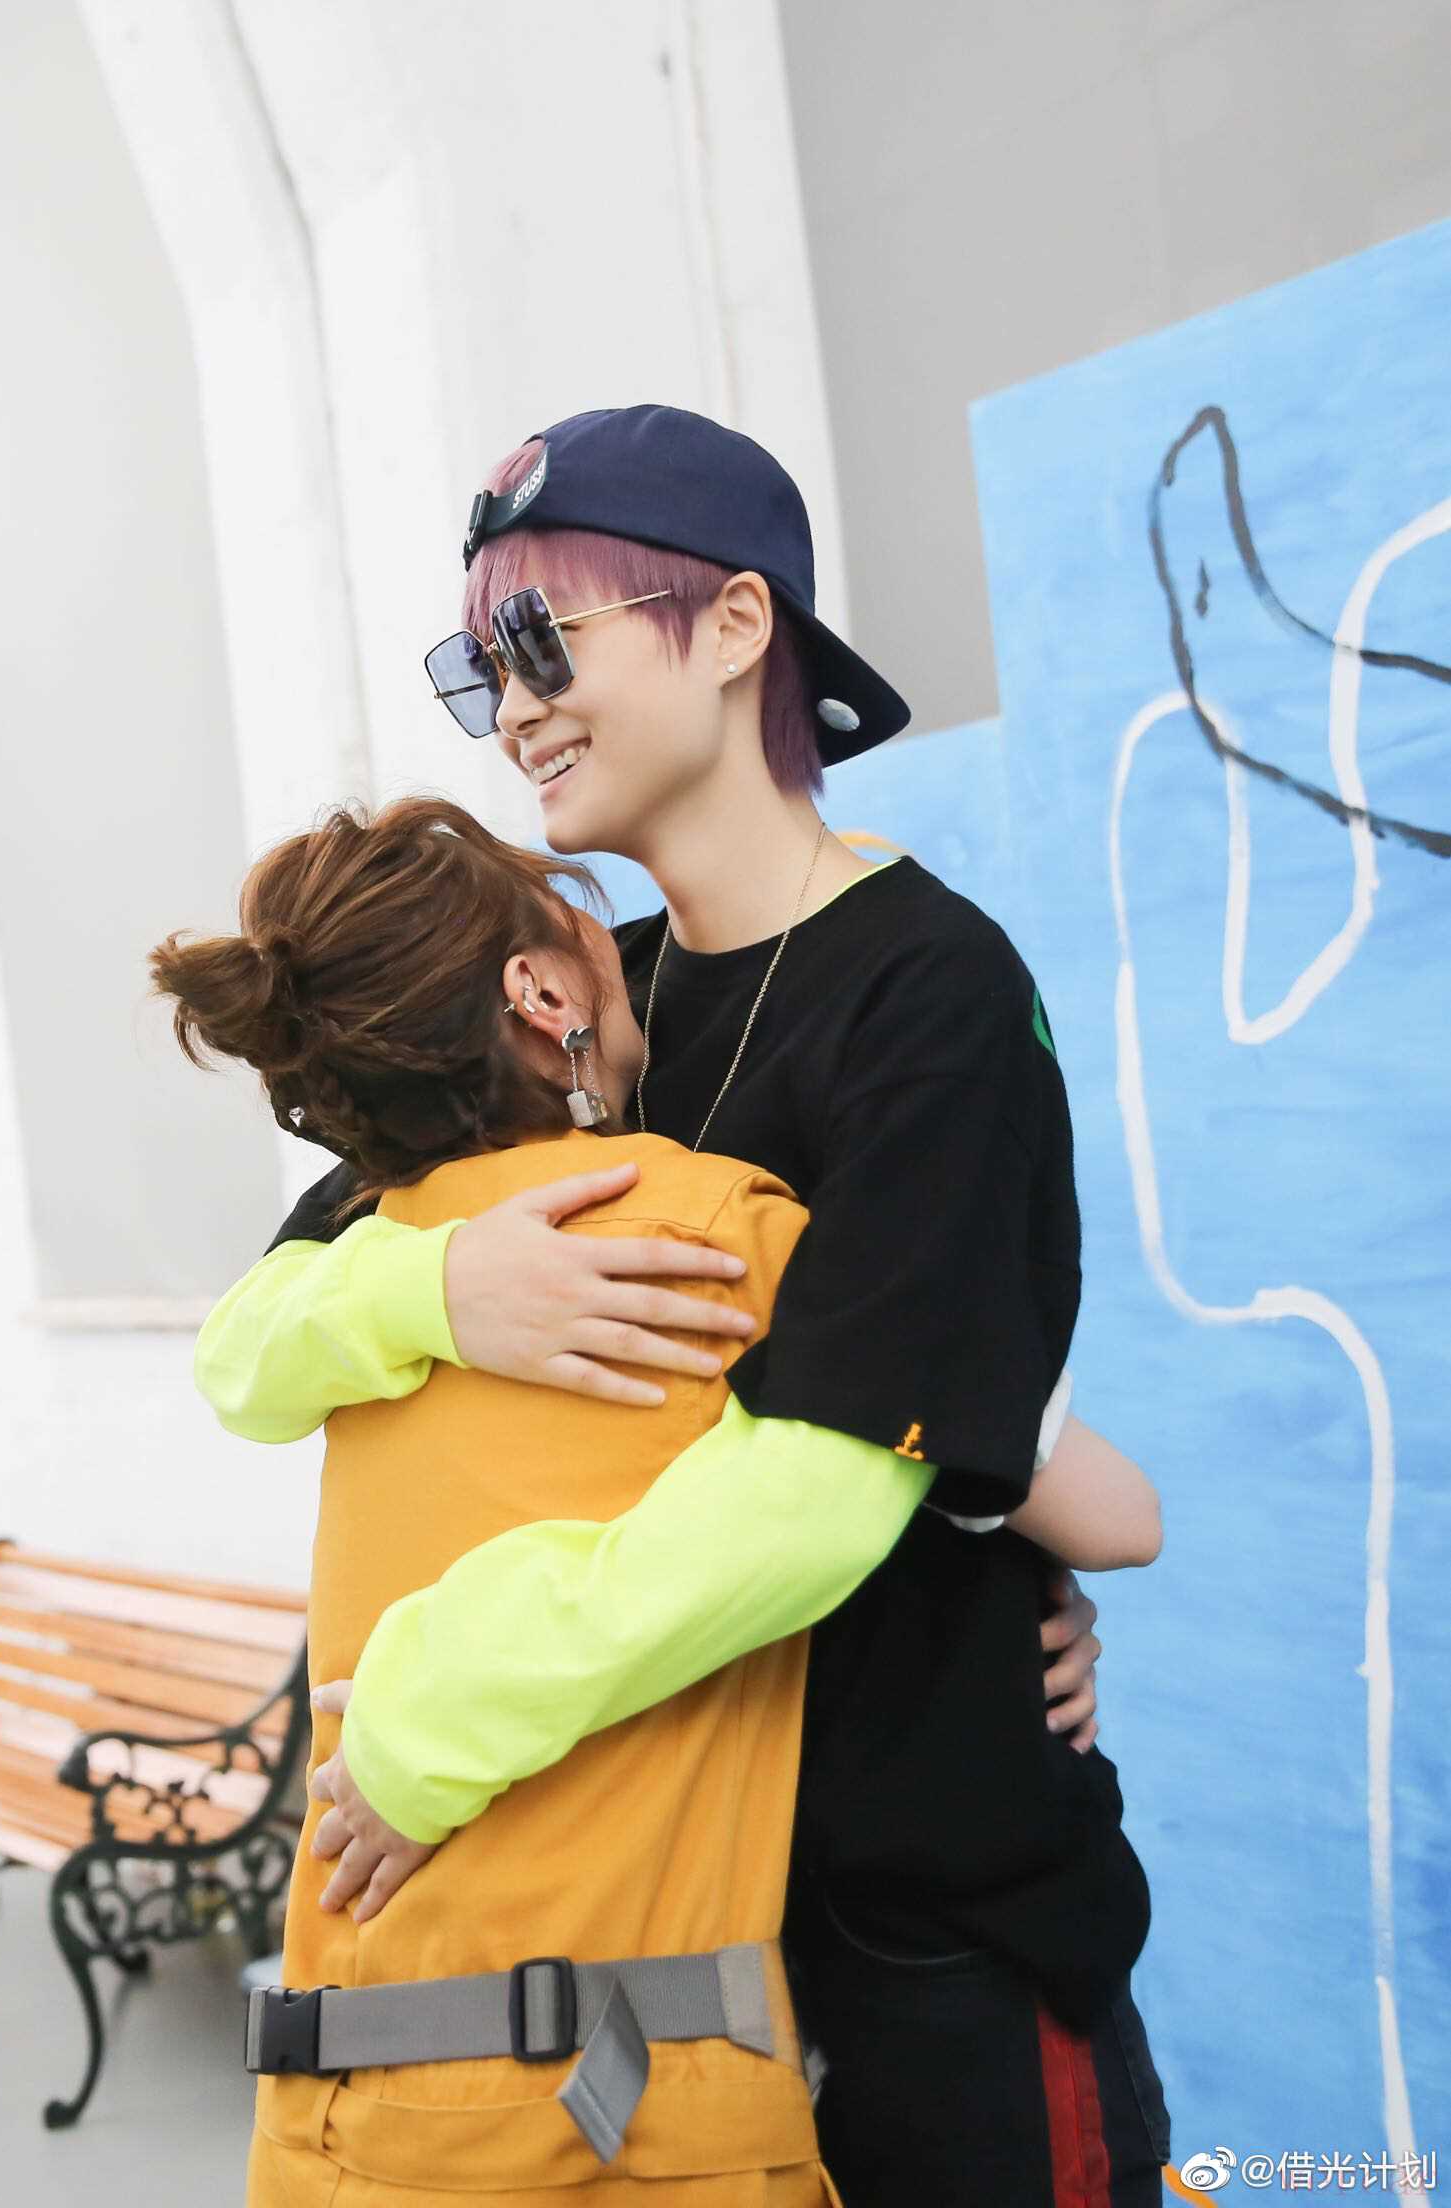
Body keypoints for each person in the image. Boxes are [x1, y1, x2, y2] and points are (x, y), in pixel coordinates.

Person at [193, 405, 1172, 2205]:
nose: (513, 708)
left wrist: (437, 1708)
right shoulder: (594, 1004)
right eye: (481, 671)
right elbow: (256, 1340)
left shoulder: (927, 995)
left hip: (922, 1935)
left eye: (540, 641)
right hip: (672, 1952)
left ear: (731, 626)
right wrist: (444, 1283)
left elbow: (831, 1472)